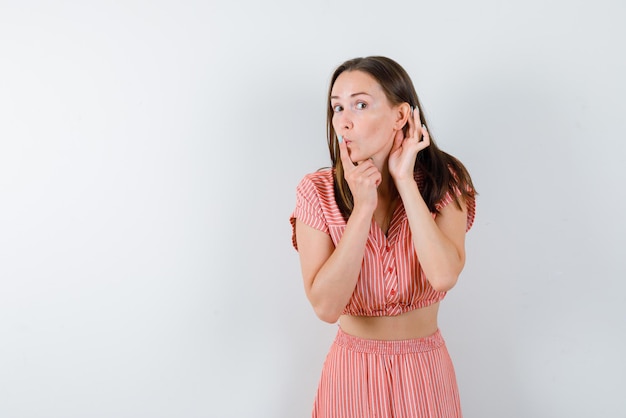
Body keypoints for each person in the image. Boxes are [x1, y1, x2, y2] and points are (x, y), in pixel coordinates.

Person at [290, 56, 476, 418]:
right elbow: (326, 308)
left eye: (360, 104)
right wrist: (361, 209)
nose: (344, 120)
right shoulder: (317, 192)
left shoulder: (445, 180)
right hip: (352, 373)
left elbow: (443, 275)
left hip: (425, 373)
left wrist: (405, 181)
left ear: (400, 116)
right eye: (337, 107)